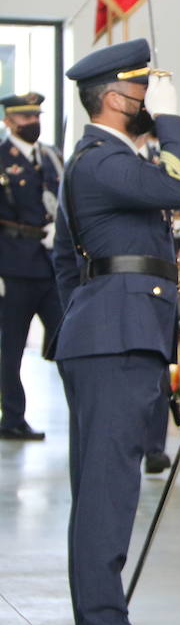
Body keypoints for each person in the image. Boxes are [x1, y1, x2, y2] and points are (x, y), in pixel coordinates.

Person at [53, 38, 180, 625]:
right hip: (114, 338)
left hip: (111, 332)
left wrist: (89, 315)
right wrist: (174, 123)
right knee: (107, 493)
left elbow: (65, 262)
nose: (149, 97)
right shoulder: (102, 159)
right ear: (116, 97)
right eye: (143, 88)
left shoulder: (101, 160)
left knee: (106, 490)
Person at [0, 93, 61, 442]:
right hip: (13, 263)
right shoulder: (1, 158)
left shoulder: (50, 157)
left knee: (66, 340)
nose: (32, 123)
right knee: (12, 347)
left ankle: (84, 408)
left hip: (49, 263)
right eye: (24, 118)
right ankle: (12, 417)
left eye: (36, 116)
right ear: (9, 122)